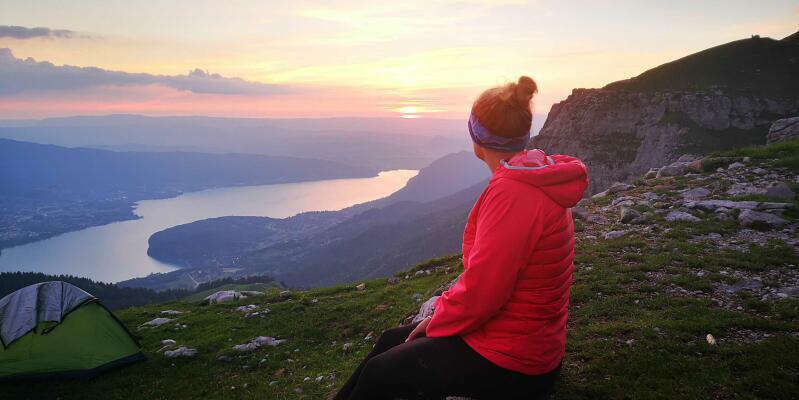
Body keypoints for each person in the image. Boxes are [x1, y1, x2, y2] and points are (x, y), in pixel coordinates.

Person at [332, 76, 589, 400]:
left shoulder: (513, 195)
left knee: (380, 372)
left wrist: (438, 320)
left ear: (477, 138)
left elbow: (485, 290)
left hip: (515, 362)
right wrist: (442, 315)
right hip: (523, 340)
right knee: (389, 340)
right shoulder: (534, 173)